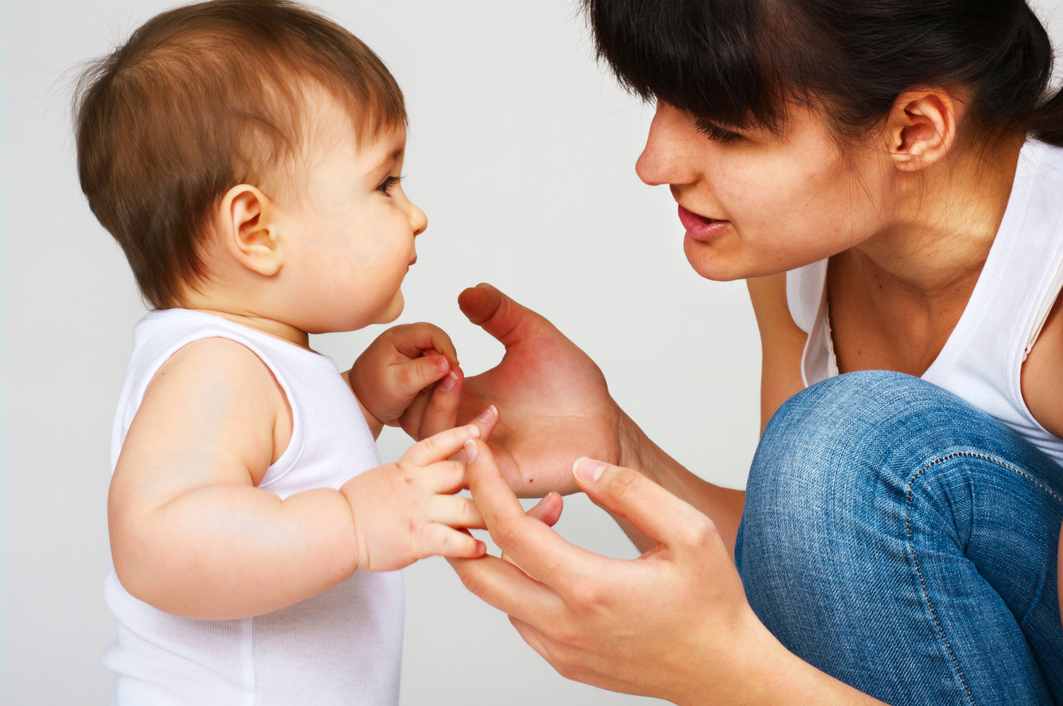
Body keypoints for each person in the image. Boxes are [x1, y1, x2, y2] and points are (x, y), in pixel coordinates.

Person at [443, 0, 1063, 703]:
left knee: (838, 437)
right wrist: (613, 450)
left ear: (913, 130)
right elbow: (816, 553)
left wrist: (726, 676)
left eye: (723, 129)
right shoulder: (803, 257)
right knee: (829, 450)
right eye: (660, 103)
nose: (654, 163)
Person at [73, 1, 497, 703]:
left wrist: (358, 404)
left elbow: (278, 481)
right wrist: (354, 523)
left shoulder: (253, 363)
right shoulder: (216, 368)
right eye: (384, 183)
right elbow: (159, 542)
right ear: (255, 230)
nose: (415, 212)